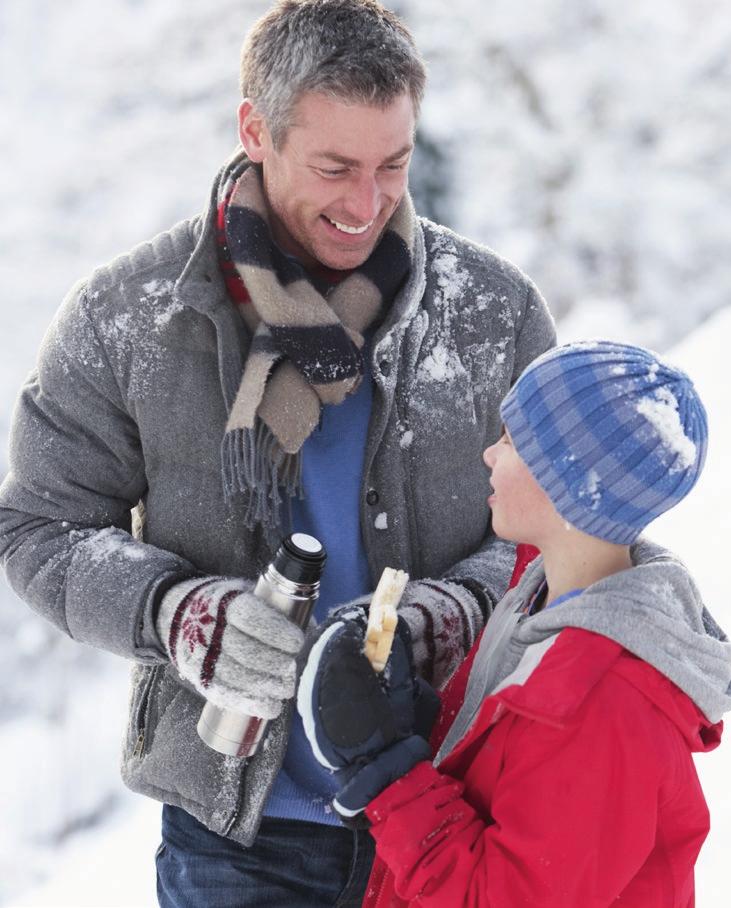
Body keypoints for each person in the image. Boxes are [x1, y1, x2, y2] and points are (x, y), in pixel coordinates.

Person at [0, 1, 557, 905]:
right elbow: (38, 531)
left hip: (457, 808)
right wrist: (175, 611)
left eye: (392, 165)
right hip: (236, 840)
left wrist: (461, 609)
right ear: (254, 129)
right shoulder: (129, 319)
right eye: (334, 167)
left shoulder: (493, 312)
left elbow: (561, 533)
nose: (366, 204)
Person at [299, 340, 731, 907]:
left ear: (570, 483)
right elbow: (514, 779)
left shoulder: (606, 700)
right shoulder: (539, 597)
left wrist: (388, 774)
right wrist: (414, 720)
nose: (490, 453)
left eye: (511, 440)